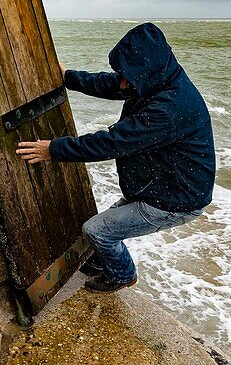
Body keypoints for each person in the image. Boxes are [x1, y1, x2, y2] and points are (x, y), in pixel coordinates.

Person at [16, 22, 215, 292]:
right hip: (160, 184)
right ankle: (102, 259)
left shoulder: (168, 109)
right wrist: (68, 77)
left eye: (127, 75)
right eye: (122, 73)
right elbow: (111, 85)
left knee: (96, 230)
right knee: (105, 226)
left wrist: (53, 149)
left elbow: (112, 143)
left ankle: (122, 275)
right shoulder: (158, 79)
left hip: (175, 200)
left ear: (146, 71)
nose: (122, 82)